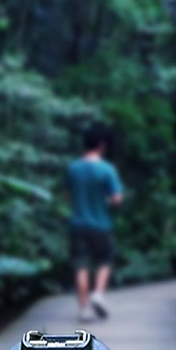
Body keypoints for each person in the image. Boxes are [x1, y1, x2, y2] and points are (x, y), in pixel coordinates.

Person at [66, 127, 124, 323]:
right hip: (101, 224)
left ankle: (83, 310)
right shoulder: (107, 169)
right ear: (101, 146)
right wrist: (107, 201)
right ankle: (98, 294)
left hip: (78, 224)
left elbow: (68, 195)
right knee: (104, 261)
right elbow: (117, 199)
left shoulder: (73, 169)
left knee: (81, 265)